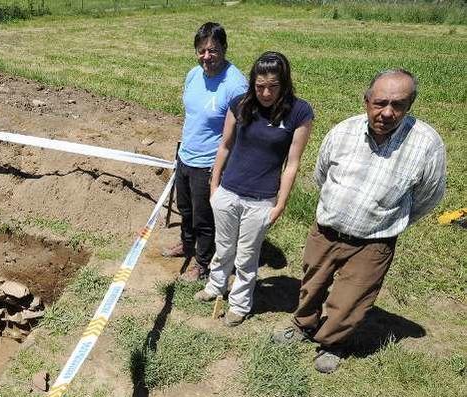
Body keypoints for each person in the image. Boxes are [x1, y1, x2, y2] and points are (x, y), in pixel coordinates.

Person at [273, 69, 447, 373]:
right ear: (367, 101)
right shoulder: (343, 131)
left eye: (399, 105)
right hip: (326, 229)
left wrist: (393, 220)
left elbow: (429, 196)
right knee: (311, 284)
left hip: (375, 240)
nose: (388, 112)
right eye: (380, 103)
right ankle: (303, 325)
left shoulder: (427, 145)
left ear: (410, 105)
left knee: (352, 298)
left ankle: (333, 342)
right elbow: (322, 174)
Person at [193, 52, 313, 326]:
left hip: (261, 201)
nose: (266, 93)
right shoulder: (241, 105)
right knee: (223, 247)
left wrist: (280, 204)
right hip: (228, 192)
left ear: (284, 83)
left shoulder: (299, 112)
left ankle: (239, 303)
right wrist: (214, 186)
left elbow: (292, 164)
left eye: (273, 86)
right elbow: (224, 146)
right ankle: (215, 286)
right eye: (260, 87)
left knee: (247, 257)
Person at [162, 22, 248, 282]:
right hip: (186, 156)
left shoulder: (235, 85)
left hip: (211, 164)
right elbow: (193, 115)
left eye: (212, 50)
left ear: (224, 48)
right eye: (201, 51)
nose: (206, 57)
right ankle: (187, 246)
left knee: (204, 217)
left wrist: (224, 168)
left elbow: (242, 132)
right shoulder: (193, 75)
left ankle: (202, 263)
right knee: (185, 209)